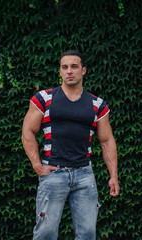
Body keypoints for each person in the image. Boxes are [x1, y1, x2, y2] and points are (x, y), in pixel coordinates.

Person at [21, 50, 120, 240]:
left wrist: (113, 176)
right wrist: (37, 165)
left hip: (84, 175)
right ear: (59, 71)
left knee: (87, 234)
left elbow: (107, 140)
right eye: (64, 67)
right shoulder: (44, 99)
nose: (69, 71)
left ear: (83, 70)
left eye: (74, 67)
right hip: (53, 174)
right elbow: (27, 132)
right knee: (45, 233)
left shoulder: (97, 104)